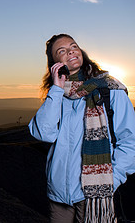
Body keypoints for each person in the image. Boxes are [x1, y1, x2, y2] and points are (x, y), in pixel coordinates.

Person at [28, 34, 135, 223]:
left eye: (73, 46)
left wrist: (113, 179)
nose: (70, 51)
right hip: (58, 195)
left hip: (94, 196)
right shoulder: (58, 94)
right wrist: (56, 89)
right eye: (61, 51)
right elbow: (43, 133)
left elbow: (129, 141)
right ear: (55, 63)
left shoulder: (110, 89)